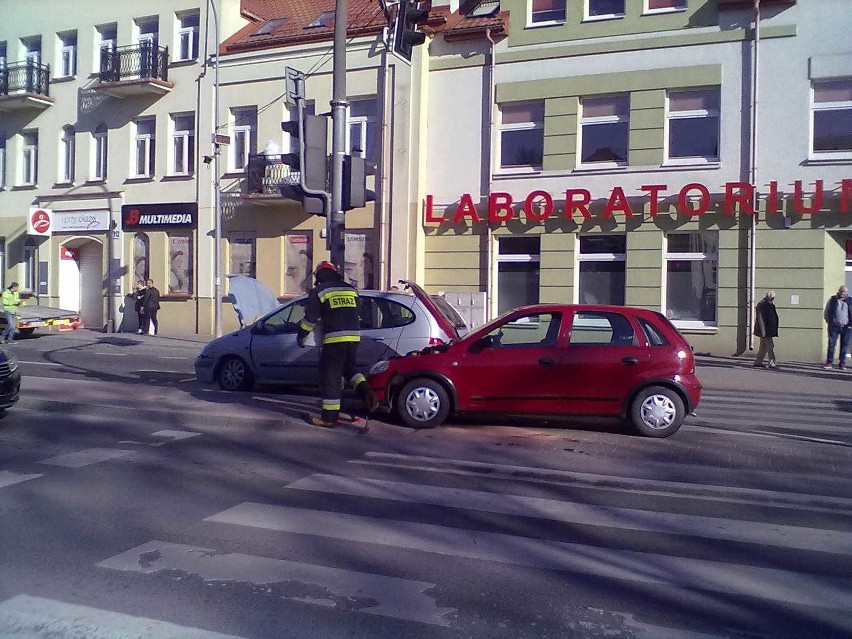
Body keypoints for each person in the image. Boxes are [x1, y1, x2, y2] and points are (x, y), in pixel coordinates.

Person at [296, 261, 378, 428]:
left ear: (319, 276)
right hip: (354, 337)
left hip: (334, 339)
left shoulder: (320, 291)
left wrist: (301, 334)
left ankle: (329, 418)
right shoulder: (351, 290)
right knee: (350, 369)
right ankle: (367, 393)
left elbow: (310, 320)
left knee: (330, 377)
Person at [823, 284, 852, 369]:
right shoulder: (832, 300)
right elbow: (826, 312)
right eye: (841, 291)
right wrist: (829, 322)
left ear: (847, 292)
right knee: (831, 345)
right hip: (834, 327)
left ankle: (842, 363)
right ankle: (829, 362)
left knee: (844, 346)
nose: (842, 293)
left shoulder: (850, 301)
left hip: (847, 327)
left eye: (844, 292)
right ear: (839, 291)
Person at [753, 291, 779, 369]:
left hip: (768, 330)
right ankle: (772, 363)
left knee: (763, 347)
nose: (773, 299)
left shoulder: (768, 304)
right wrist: (763, 332)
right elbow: (760, 319)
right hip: (766, 330)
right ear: (769, 297)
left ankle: (758, 362)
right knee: (770, 346)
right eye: (772, 298)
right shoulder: (763, 305)